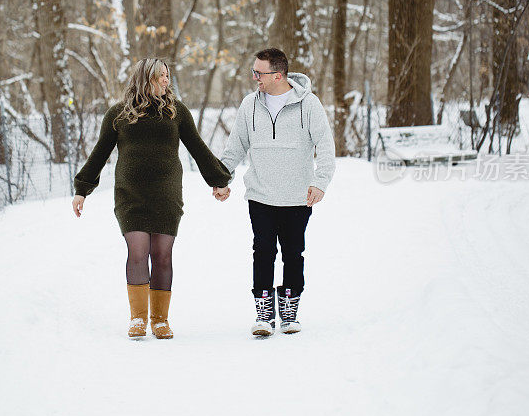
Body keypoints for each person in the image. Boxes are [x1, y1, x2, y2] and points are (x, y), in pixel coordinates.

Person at [72, 58, 231, 339]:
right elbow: (99, 153)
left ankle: (160, 320)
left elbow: (197, 147)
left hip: (167, 193)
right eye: (160, 76)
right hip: (131, 194)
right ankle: (137, 318)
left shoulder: (176, 112)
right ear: (145, 78)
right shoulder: (118, 114)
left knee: (162, 255)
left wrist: (218, 180)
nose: (166, 81)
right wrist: (82, 188)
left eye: (167, 76)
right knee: (137, 251)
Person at [214, 47, 335, 336]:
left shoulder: (309, 104)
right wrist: (222, 179)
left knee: (294, 253)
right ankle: (264, 312)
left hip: (297, 196)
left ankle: (290, 309)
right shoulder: (249, 105)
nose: (254, 76)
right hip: (261, 194)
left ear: (277, 75)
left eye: (259, 72)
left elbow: (326, 146)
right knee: (263, 251)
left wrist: (320, 182)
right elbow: (236, 147)